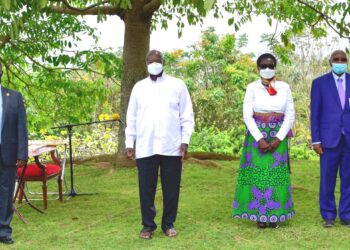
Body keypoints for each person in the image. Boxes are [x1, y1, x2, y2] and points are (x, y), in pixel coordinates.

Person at [125, 50, 194, 239]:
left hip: (172, 146)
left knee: (171, 187)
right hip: (146, 146)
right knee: (146, 188)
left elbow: (187, 116)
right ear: (146, 63)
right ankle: (147, 225)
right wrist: (129, 142)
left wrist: (185, 140)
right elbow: (131, 117)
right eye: (150, 61)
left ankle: (168, 223)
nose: (154, 63)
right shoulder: (139, 88)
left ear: (163, 62)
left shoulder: (177, 85)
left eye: (157, 60)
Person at [232, 53, 295, 229]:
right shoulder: (252, 88)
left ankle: (275, 215)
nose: (267, 69)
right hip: (256, 136)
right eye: (263, 66)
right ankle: (260, 215)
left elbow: (290, 115)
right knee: (258, 176)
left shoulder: (284, 87)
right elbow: (247, 115)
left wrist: (278, 139)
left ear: (275, 67)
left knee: (276, 176)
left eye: (271, 65)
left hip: (278, 136)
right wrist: (259, 138)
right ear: (258, 68)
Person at [310, 50, 350, 228]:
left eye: (343, 60)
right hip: (328, 140)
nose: (340, 62)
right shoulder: (319, 83)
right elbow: (315, 114)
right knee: (327, 179)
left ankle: (346, 214)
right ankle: (328, 215)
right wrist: (316, 140)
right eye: (336, 60)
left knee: (348, 180)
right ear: (330, 62)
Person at [0, 62, 28, 244]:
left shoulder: (14, 96)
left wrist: (22, 154)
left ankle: (3, 231)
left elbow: (21, 127)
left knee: (5, 191)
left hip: (8, 153)